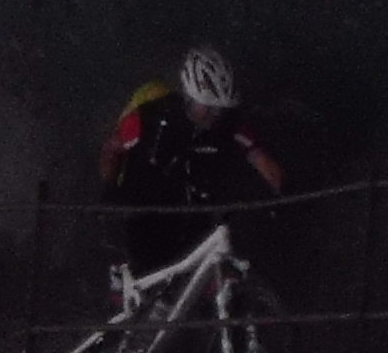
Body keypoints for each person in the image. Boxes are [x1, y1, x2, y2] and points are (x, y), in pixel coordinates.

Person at [100, 45, 287, 282]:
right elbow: (112, 149)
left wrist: (281, 196)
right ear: (189, 97)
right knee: (136, 276)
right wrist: (109, 189)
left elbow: (262, 160)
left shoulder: (229, 126)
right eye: (207, 107)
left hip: (194, 221)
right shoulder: (150, 117)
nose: (214, 115)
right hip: (143, 215)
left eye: (219, 109)